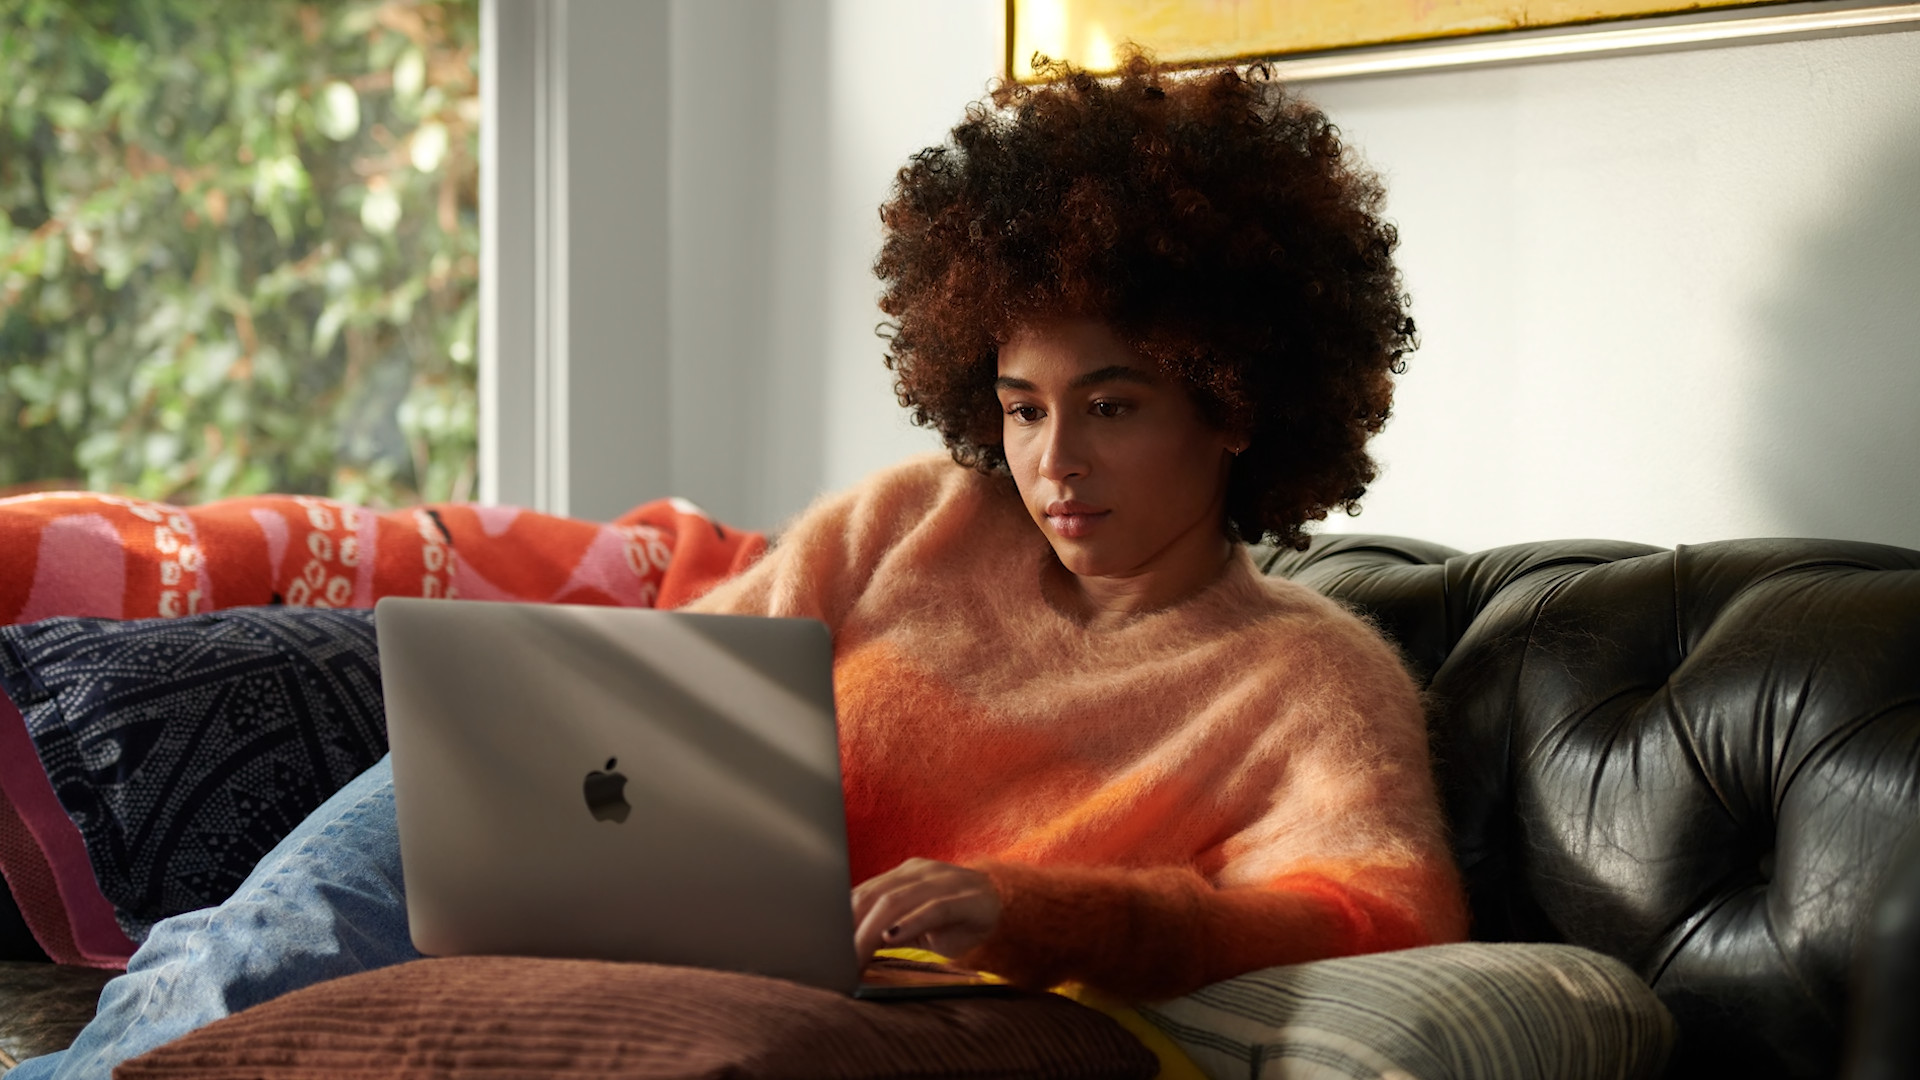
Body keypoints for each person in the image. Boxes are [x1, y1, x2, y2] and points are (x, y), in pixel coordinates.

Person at [12, 53, 1465, 1079]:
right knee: (292, 919)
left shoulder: (1304, 675)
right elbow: (656, 699)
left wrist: (1028, 910)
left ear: (1238, 401)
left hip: (837, 994)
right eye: (1021, 408)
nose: (1053, 461)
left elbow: (1367, 916)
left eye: (1115, 405)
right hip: (637, 904)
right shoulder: (916, 520)